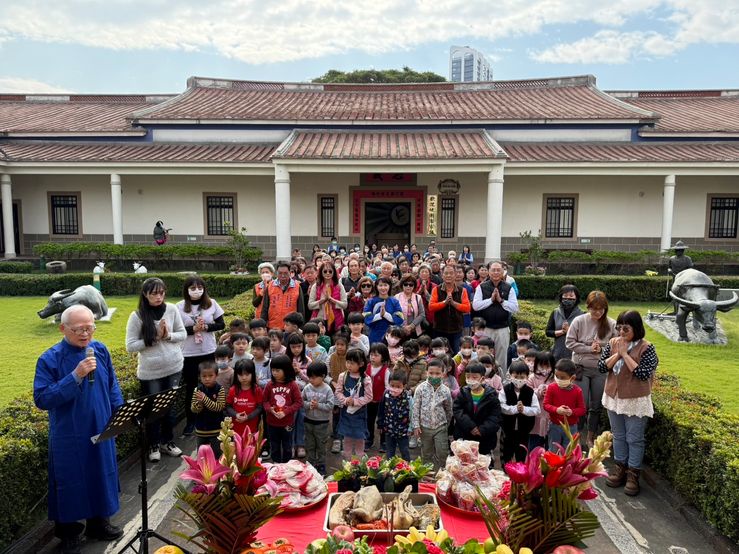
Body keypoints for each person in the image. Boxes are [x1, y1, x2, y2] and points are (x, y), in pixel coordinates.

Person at [34, 305, 124, 554]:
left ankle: (99, 523)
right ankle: (69, 533)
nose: (86, 334)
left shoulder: (100, 350)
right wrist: (75, 376)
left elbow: (112, 385)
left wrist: (119, 415)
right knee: (70, 480)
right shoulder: (50, 358)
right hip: (69, 433)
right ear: (63, 328)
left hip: (101, 426)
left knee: (100, 473)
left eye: (90, 328)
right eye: (79, 329)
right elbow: (42, 398)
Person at [125, 277, 186, 462]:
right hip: (151, 372)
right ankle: (153, 444)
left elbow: (182, 333)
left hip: (174, 366)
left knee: (169, 407)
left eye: (161, 293)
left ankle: (168, 441)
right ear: (145, 294)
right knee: (153, 409)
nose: (158, 297)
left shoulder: (172, 309)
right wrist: (153, 338)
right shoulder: (137, 316)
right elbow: (130, 345)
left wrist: (167, 336)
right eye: (154, 294)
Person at [599, 311, 659, 496]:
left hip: (635, 400)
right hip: (614, 397)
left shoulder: (647, 348)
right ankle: (620, 468)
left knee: (634, 438)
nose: (622, 332)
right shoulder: (612, 343)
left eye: (626, 328)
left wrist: (625, 355)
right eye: (619, 327)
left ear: (636, 328)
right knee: (618, 435)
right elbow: (602, 367)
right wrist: (617, 354)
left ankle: (633, 474)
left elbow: (642, 373)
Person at [565, 290, 617, 448]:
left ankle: (591, 436)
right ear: (588, 307)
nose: (597, 312)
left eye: (601, 309)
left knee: (596, 405)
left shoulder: (611, 324)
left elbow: (616, 346)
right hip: (581, 367)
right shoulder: (579, 321)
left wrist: (601, 350)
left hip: (600, 369)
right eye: (594, 308)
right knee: (582, 404)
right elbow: (569, 342)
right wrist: (588, 348)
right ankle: (577, 435)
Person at [177, 275, 225, 436]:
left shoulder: (211, 304)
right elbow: (176, 330)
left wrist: (205, 327)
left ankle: (212, 416)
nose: (196, 291)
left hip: (207, 350)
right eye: (192, 288)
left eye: (199, 288)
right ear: (186, 290)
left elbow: (221, 324)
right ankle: (191, 421)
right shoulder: (179, 307)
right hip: (188, 353)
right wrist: (193, 330)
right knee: (191, 387)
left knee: (210, 385)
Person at [472, 261, 519, 372]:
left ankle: (500, 383)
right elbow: (476, 305)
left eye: (499, 270)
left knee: (502, 358)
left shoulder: (508, 288)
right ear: (488, 271)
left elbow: (515, 308)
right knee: (484, 357)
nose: (496, 272)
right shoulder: (482, 287)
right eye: (493, 270)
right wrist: (491, 300)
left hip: (502, 328)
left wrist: (501, 301)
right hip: (486, 328)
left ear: (503, 271)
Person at [453, 362, 502, 457]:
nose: (470, 380)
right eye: (468, 377)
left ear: (482, 379)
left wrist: (482, 429)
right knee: (465, 465)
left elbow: (495, 416)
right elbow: (458, 411)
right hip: (465, 435)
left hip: (484, 438)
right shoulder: (463, 393)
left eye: (474, 377)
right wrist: (471, 426)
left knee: (483, 465)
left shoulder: (491, 395)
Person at [412, 358, 453, 470]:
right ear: (426, 372)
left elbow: (449, 409)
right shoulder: (420, 389)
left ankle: (443, 473)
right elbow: (415, 408)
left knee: (442, 451)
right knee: (426, 453)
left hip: (440, 426)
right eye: (431, 373)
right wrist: (416, 425)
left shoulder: (446, 390)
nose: (434, 376)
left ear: (443, 373)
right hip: (424, 427)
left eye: (437, 373)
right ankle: (427, 475)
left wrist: (446, 424)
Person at [263, 354, 303, 463]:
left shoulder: (293, 385)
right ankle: (276, 464)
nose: (274, 373)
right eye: (273, 370)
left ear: (286, 370)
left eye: (277, 370)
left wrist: (286, 412)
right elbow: (264, 401)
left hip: (287, 423)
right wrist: (269, 409)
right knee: (274, 445)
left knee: (287, 445)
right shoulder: (269, 385)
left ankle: (287, 464)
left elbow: (299, 402)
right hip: (272, 423)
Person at [499, 360, 540, 465]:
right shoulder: (505, 390)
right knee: (506, 455)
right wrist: (515, 409)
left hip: (524, 431)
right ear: (510, 376)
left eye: (522, 377)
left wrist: (524, 410)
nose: (519, 380)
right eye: (516, 377)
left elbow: (536, 409)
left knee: (521, 456)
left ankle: (519, 475)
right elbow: (502, 406)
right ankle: (505, 474)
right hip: (507, 430)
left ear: (527, 377)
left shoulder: (531, 393)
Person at [335, 348, 373, 459]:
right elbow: (338, 392)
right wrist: (345, 400)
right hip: (346, 413)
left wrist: (355, 402)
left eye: (352, 363)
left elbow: (369, 397)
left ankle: (359, 459)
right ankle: (347, 459)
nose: (349, 365)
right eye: (347, 362)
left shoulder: (366, 379)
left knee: (359, 437)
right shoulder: (343, 376)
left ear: (361, 364)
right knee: (347, 437)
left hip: (359, 414)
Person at [543, 359, 585, 451]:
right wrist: (556, 410)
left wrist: (571, 412)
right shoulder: (551, 387)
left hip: (571, 427)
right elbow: (545, 404)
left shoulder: (577, 391)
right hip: (555, 425)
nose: (558, 379)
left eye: (562, 378)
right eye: (556, 376)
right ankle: (552, 466)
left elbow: (582, 409)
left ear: (572, 378)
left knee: (569, 451)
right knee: (553, 450)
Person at [428, 265, 471, 353]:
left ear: (455, 275)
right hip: (439, 329)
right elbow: (431, 307)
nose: (448, 275)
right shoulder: (436, 289)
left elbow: (467, 308)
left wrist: (453, 303)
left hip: (457, 329)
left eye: (451, 273)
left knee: (457, 354)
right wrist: (445, 302)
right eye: (446, 273)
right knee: (439, 354)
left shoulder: (462, 290)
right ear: (442, 275)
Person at [302, 361, 334, 475]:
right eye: (310, 377)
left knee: (321, 445)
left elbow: (330, 405)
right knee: (310, 444)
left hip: (322, 423)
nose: (311, 380)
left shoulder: (327, 389)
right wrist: (308, 405)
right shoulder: (307, 388)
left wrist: (318, 406)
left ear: (323, 377)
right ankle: (310, 463)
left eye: (314, 378)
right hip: (308, 421)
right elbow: (301, 401)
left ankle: (321, 464)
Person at [191, 360, 226, 456]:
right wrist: (199, 404)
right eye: (204, 376)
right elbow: (194, 409)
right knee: (202, 456)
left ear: (216, 375)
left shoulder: (220, 389)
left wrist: (205, 399)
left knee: (217, 455)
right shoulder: (197, 390)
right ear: (199, 377)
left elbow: (219, 407)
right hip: (201, 429)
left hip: (216, 429)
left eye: (210, 376)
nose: (207, 379)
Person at [378, 371, 413, 460]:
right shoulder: (386, 394)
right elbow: (381, 410)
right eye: (392, 386)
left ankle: (407, 469)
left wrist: (411, 428)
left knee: (404, 450)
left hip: (403, 431)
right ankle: (390, 470)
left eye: (398, 387)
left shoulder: (408, 397)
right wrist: (380, 424)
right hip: (388, 429)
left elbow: (412, 413)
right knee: (389, 451)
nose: (394, 389)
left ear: (404, 386)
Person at [261, 261, 305, 331]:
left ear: (290, 273)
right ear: (277, 273)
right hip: (273, 327)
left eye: (285, 273)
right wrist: (262, 326)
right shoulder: (270, 286)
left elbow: (301, 309)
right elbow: (265, 308)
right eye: (280, 273)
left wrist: (300, 328)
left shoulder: (297, 286)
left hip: (291, 328)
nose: (283, 275)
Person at [546, 285, 584, 363]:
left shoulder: (582, 314)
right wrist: (562, 331)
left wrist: (569, 330)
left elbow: (584, 335)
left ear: (576, 298)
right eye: (565, 296)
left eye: (571, 296)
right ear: (561, 297)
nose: (568, 298)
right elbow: (548, 332)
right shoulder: (555, 312)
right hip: (557, 352)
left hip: (575, 354)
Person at [309, 261, 348, 334]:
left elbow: (345, 305)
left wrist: (331, 299)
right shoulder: (316, 286)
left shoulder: (339, 285)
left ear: (334, 272)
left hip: (336, 319)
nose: (327, 273)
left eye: (330, 271)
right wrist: (322, 300)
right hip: (319, 319)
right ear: (321, 272)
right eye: (325, 271)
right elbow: (310, 305)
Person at [364, 277, 404, 344]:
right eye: (380, 285)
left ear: (389, 286)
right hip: (375, 334)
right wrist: (379, 315)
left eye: (385, 285)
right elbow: (366, 317)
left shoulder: (395, 301)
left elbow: (400, 318)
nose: (383, 288)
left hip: (391, 336)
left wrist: (385, 314)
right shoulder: (370, 302)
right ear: (376, 287)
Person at [528, 351, 555, 450]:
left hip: (550, 417)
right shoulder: (532, 378)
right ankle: (533, 463)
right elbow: (528, 393)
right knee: (534, 445)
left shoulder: (555, 378)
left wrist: (550, 392)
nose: (544, 369)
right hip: (536, 418)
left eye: (547, 366)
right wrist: (539, 392)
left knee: (550, 446)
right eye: (541, 366)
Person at [367, 342, 391, 450]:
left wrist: (385, 400)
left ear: (383, 357)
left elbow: (388, 387)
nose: (373, 357)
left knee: (382, 422)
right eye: (371, 354)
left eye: (376, 355)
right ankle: (369, 439)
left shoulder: (386, 370)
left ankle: (384, 442)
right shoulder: (366, 368)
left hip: (381, 402)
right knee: (369, 421)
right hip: (368, 401)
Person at [395, 273, 426, 338]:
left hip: (415, 331)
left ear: (414, 286)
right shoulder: (396, 297)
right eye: (405, 284)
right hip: (400, 331)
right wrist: (403, 327)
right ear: (402, 285)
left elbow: (422, 314)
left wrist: (411, 326)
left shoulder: (418, 297)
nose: (408, 286)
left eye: (411, 285)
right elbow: (394, 314)